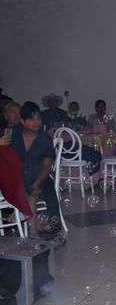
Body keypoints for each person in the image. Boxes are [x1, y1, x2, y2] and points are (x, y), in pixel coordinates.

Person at [10, 102, 60, 238]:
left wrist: (36, 184)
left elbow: (46, 167)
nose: (36, 122)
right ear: (22, 121)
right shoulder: (13, 136)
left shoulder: (45, 140)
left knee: (49, 191)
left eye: (38, 118)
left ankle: (53, 229)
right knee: (26, 190)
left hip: (40, 177)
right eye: (32, 119)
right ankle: (35, 228)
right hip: (17, 177)